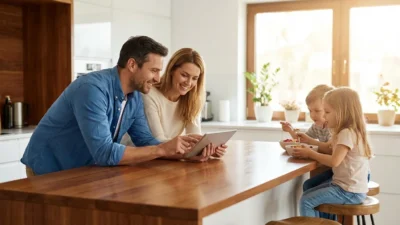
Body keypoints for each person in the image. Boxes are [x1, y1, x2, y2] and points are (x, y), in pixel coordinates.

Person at [21, 36, 199, 176]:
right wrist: (162, 149)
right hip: (48, 170)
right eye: (153, 70)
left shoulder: (134, 96)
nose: (158, 79)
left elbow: (146, 141)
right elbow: (104, 152)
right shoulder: (92, 89)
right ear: (132, 64)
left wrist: (188, 153)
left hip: (81, 170)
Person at [292, 87, 371, 218]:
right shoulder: (347, 131)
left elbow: (334, 161)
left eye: (327, 112)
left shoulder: (346, 133)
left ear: (341, 113)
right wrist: (310, 141)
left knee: (306, 201)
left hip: (349, 191)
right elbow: (328, 149)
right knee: (309, 187)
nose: (323, 116)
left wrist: (310, 153)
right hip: (347, 187)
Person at [137, 48, 227, 161]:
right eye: (184, 75)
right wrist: (190, 154)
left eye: (194, 78)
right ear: (171, 70)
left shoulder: (191, 100)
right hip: (140, 161)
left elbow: (195, 137)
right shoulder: (149, 95)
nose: (189, 83)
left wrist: (207, 149)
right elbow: (158, 142)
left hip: (167, 161)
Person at [280, 84, 335, 192]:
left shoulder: (333, 128)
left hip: (337, 171)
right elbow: (305, 139)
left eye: (317, 111)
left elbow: (329, 149)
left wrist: (310, 149)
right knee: (309, 185)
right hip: (326, 166)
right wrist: (290, 130)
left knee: (312, 186)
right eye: (310, 111)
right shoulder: (316, 126)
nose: (313, 115)